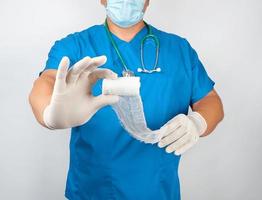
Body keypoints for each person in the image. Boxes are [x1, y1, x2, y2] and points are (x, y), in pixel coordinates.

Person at [28, 0, 224, 199]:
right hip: (92, 193)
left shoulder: (179, 49)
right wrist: (49, 114)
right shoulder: (75, 46)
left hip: (158, 191)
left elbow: (210, 99)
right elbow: (47, 81)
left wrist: (198, 122)